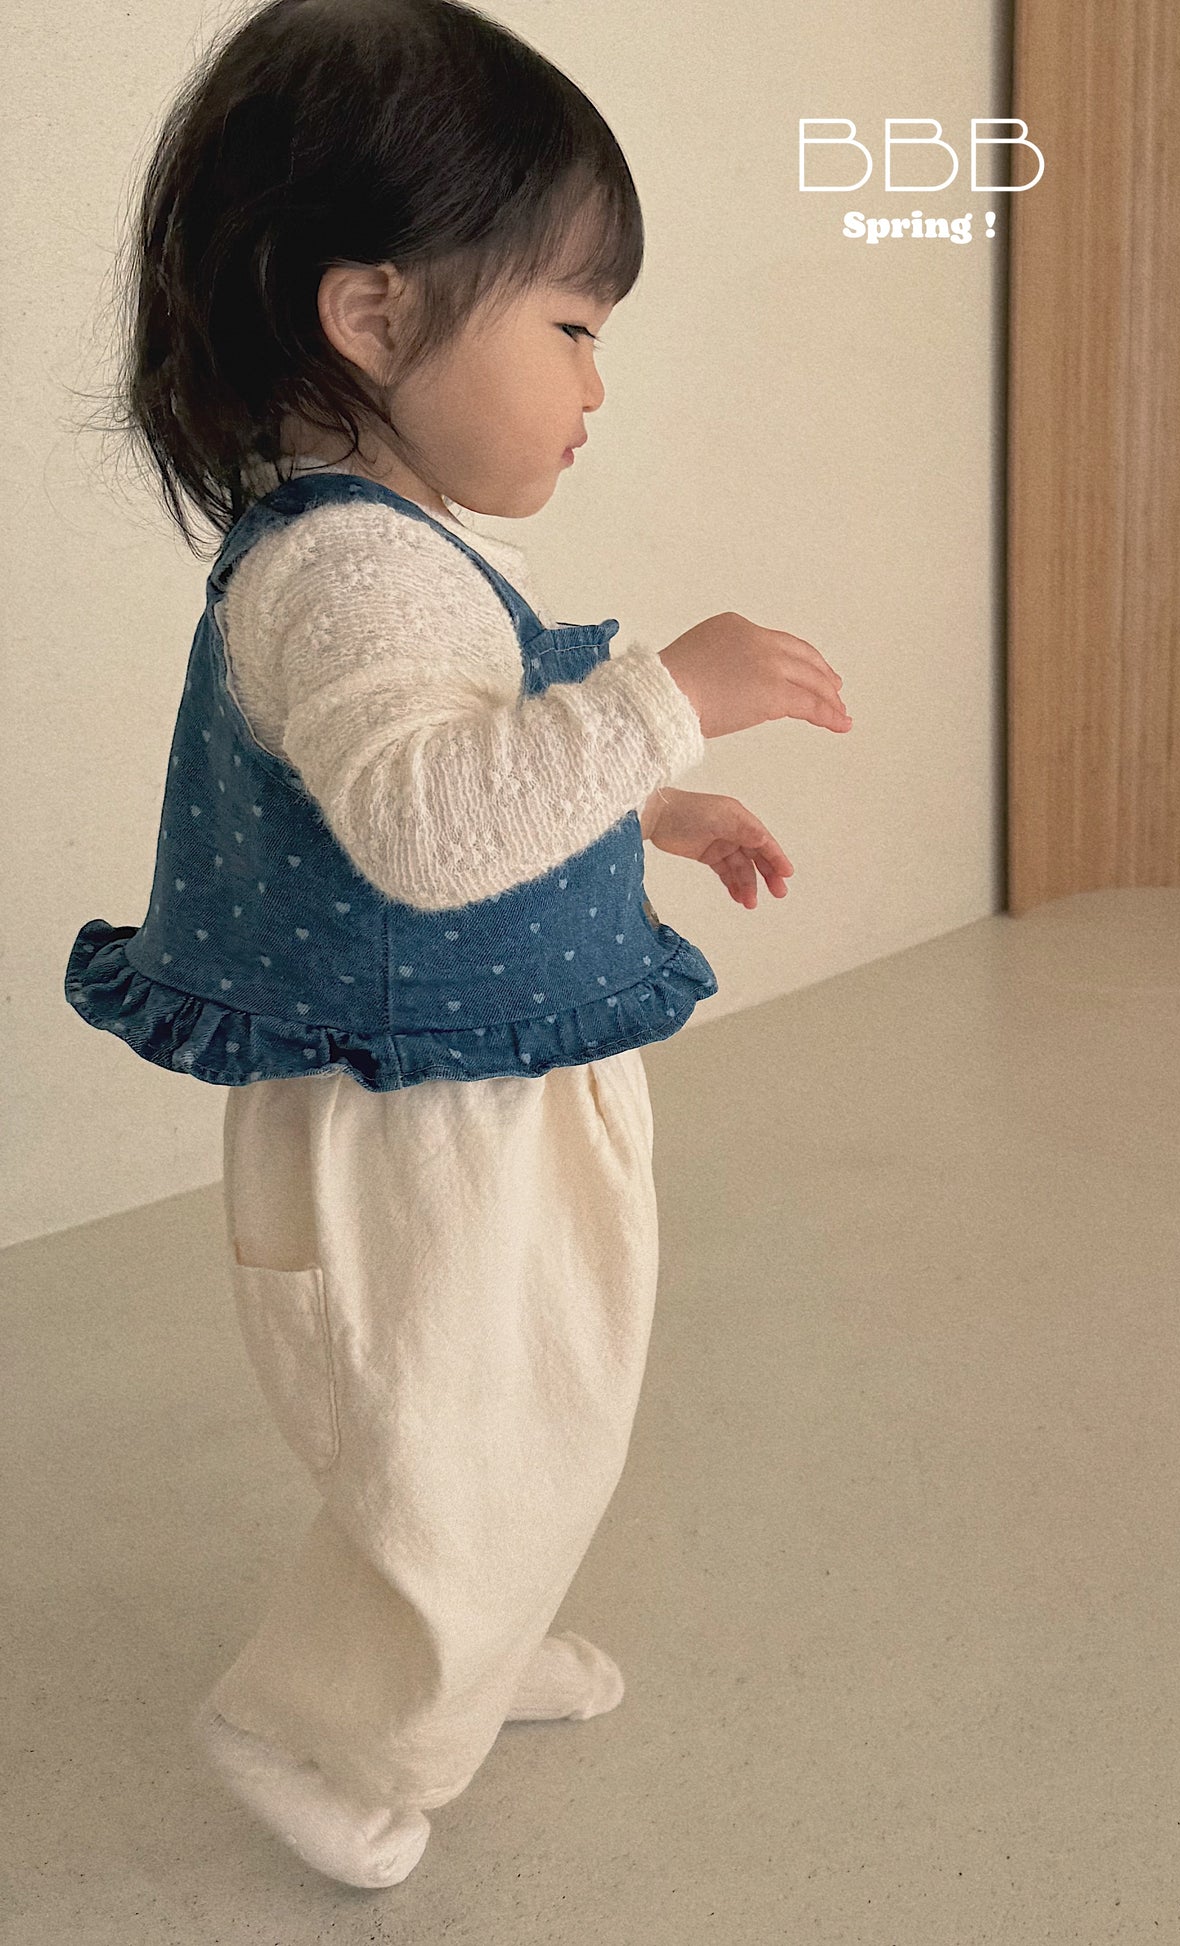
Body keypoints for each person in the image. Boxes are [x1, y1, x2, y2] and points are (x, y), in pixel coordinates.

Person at [63, 0, 851, 1890]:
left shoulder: (399, 549)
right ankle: (318, 1725)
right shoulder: (346, 571)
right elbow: (424, 828)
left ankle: (462, 1655)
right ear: (372, 313)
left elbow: (472, 768)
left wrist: (647, 808)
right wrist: (668, 698)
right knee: (465, 1432)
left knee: (538, 1401)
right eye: (572, 328)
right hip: (412, 1115)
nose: (597, 387)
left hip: (474, 1078)